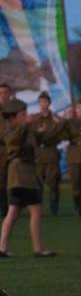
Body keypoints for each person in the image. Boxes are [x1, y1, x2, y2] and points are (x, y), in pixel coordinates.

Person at [0, 98, 56, 257]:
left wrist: (53, 127)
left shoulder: (25, 129)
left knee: (13, 212)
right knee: (35, 210)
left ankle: (2, 248)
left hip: (24, 174)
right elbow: (12, 140)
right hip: (21, 174)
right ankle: (38, 248)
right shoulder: (9, 129)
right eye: (22, 114)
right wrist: (26, 125)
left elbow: (41, 138)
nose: (26, 116)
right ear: (13, 117)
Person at [31, 91, 67, 216]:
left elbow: (61, 134)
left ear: (50, 103)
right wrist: (41, 134)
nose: (43, 104)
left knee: (54, 182)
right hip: (38, 154)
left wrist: (46, 134)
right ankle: (38, 209)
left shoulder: (56, 118)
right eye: (40, 102)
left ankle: (54, 207)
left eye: (45, 102)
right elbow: (32, 136)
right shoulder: (34, 118)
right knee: (37, 183)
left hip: (51, 152)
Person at [0, 82, 12, 218]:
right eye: (0, 93)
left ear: (10, 94)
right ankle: (3, 207)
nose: (3, 95)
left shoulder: (15, 110)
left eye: (5, 92)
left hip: (13, 148)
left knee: (13, 179)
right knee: (1, 179)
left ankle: (13, 207)